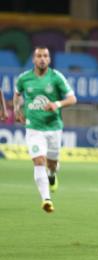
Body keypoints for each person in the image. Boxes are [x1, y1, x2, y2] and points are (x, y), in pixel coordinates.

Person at [13, 46, 77, 213]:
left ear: (49, 60)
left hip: (54, 127)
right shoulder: (24, 79)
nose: (42, 59)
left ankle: (52, 174)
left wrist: (56, 104)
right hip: (33, 128)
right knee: (39, 161)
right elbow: (17, 94)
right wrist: (17, 110)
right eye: (39, 56)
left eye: (45, 56)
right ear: (34, 59)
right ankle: (46, 199)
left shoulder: (56, 78)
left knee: (52, 163)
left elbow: (72, 98)